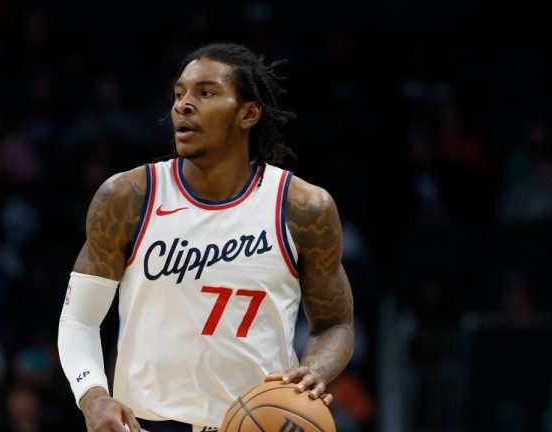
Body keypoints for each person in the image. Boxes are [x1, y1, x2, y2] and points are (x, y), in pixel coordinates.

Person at [58, 43, 354, 432]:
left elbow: (335, 324)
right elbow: (80, 319)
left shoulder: (303, 208)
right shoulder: (129, 197)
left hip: (253, 422)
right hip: (146, 422)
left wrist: (314, 369)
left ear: (248, 113)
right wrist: (92, 396)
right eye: (179, 94)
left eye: (206, 93)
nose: (183, 105)